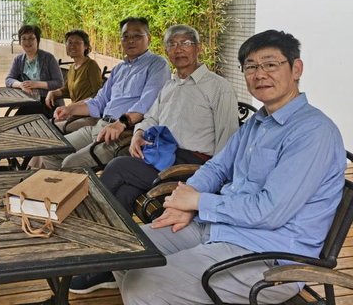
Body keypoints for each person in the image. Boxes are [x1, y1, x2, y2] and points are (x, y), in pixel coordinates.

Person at [114, 30, 346, 305]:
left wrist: (198, 201)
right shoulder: (258, 123)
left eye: (270, 64)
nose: (260, 74)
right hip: (219, 227)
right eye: (251, 67)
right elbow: (217, 167)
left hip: (269, 257)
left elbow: (269, 211)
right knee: (124, 250)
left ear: (296, 69)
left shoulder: (313, 132)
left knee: (142, 286)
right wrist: (185, 201)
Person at [70, 24, 239, 294]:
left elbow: (227, 145)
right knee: (125, 192)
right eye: (172, 44)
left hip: (192, 167)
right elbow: (151, 117)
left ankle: (87, 239)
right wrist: (138, 133)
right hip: (161, 156)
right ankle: (109, 265)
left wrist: (206, 182)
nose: (178, 49)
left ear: (198, 48)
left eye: (185, 43)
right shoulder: (171, 85)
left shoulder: (218, 88)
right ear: (166, 51)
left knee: (118, 166)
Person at [44, 17, 170, 170]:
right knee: (50, 150)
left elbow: (148, 103)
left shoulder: (157, 64)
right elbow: (99, 101)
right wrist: (69, 109)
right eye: (126, 36)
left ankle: (76, 183)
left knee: (71, 164)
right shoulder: (119, 69)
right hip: (100, 126)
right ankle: (59, 184)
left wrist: (121, 123)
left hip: (123, 134)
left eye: (137, 35)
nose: (130, 40)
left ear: (148, 38)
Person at [45, 29, 103, 133]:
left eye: (77, 42)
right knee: (45, 125)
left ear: (86, 46)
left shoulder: (91, 65)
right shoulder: (72, 67)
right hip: (73, 114)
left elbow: (98, 94)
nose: (72, 46)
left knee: (51, 129)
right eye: (69, 42)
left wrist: (73, 107)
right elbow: (67, 90)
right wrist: (52, 93)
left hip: (88, 117)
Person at [5, 24, 64, 118]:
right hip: (28, 102)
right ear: (20, 42)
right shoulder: (18, 60)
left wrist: (36, 84)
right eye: (24, 39)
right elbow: (9, 80)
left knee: (19, 120)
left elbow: (59, 83)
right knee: (16, 120)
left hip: (49, 103)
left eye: (31, 38)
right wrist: (21, 85)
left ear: (38, 40)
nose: (27, 42)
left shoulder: (48, 58)